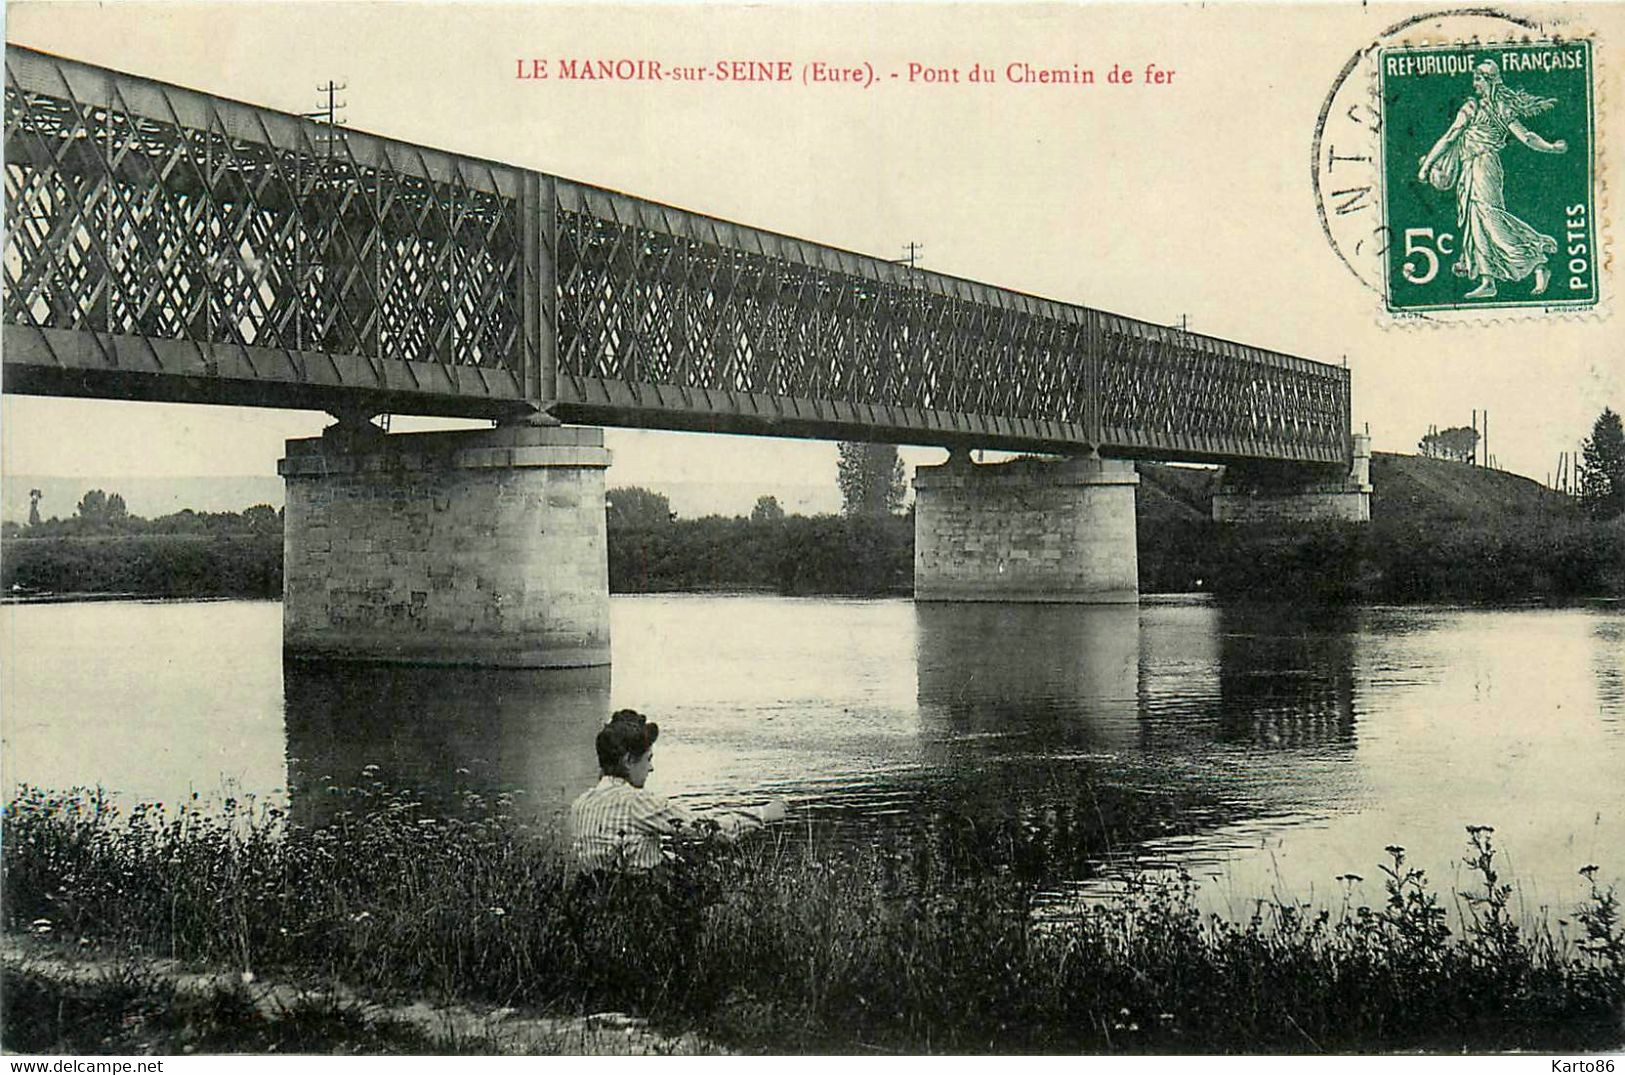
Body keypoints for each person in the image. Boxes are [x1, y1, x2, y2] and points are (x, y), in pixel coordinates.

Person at [1416, 59, 1568, 299]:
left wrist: (1551, 147)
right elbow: (1451, 137)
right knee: (1476, 221)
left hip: (1484, 166)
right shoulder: (1480, 107)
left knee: (1490, 218)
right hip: (1470, 167)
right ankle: (1488, 281)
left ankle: (1537, 259)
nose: (1475, 84)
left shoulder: (1487, 108)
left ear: (1489, 81)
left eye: (1478, 79)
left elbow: (1525, 137)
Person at [568, 709, 788, 874]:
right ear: (627, 761)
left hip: (591, 910)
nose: (651, 768)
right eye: (648, 759)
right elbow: (710, 829)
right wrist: (763, 814)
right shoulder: (638, 803)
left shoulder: (580, 805)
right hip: (636, 910)